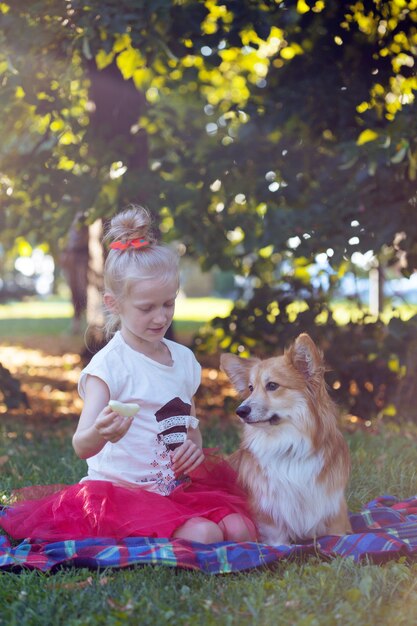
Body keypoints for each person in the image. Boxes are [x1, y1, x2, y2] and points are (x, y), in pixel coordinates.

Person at [0, 206, 256, 544]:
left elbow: (188, 428)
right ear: (114, 303)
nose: (160, 317)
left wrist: (193, 449)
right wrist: (102, 432)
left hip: (173, 489)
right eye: (146, 308)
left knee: (241, 529)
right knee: (207, 535)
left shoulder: (183, 360)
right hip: (121, 494)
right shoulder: (110, 367)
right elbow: (81, 445)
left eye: (168, 303)